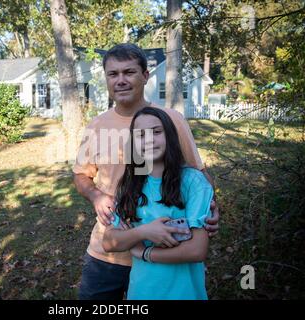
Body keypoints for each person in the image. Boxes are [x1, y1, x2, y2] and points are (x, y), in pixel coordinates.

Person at [73, 43, 219, 300]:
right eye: (113, 74)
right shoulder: (95, 126)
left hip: (166, 246)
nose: (121, 80)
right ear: (106, 78)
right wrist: (97, 196)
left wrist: (212, 209)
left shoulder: (169, 120)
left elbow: (198, 172)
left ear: (145, 75)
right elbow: (81, 175)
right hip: (110, 250)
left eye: (129, 72)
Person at [102, 106, 213, 299]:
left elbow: (197, 250)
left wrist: (145, 253)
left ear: (169, 136)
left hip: (185, 293)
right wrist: (144, 232)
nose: (149, 140)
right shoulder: (130, 185)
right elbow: (109, 241)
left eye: (156, 132)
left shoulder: (193, 181)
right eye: (140, 135)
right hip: (141, 293)